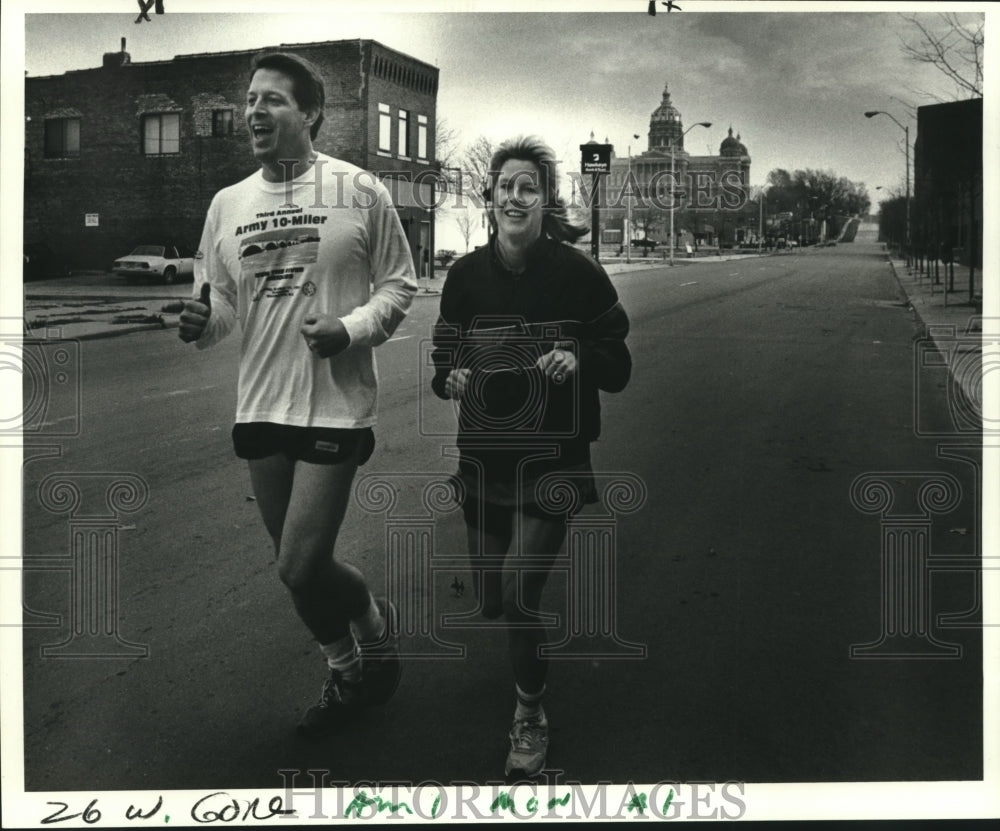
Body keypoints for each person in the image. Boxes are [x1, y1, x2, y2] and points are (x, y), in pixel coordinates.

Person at [168, 51, 417, 737]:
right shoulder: (227, 205)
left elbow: (400, 283)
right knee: (298, 573)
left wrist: (351, 327)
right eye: (250, 100)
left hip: (334, 402)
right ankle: (346, 665)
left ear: (310, 113)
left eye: (272, 99)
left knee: (299, 560)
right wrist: (200, 322)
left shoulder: (359, 190)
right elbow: (219, 304)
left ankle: (370, 629)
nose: (254, 111)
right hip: (261, 405)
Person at [430, 136, 631, 777]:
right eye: (505, 186)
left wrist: (580, 358)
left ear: (545, 200)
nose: (515, 197)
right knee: (490, 599)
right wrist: (452, 377)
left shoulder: (577, 274)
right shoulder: (464, 277)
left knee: (519, 600)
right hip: (485, 457)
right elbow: (444, 358)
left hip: (554, 458)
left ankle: (529, 713)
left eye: (529, 187)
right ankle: (520, 653)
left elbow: (619, 363)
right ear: (489, 199)